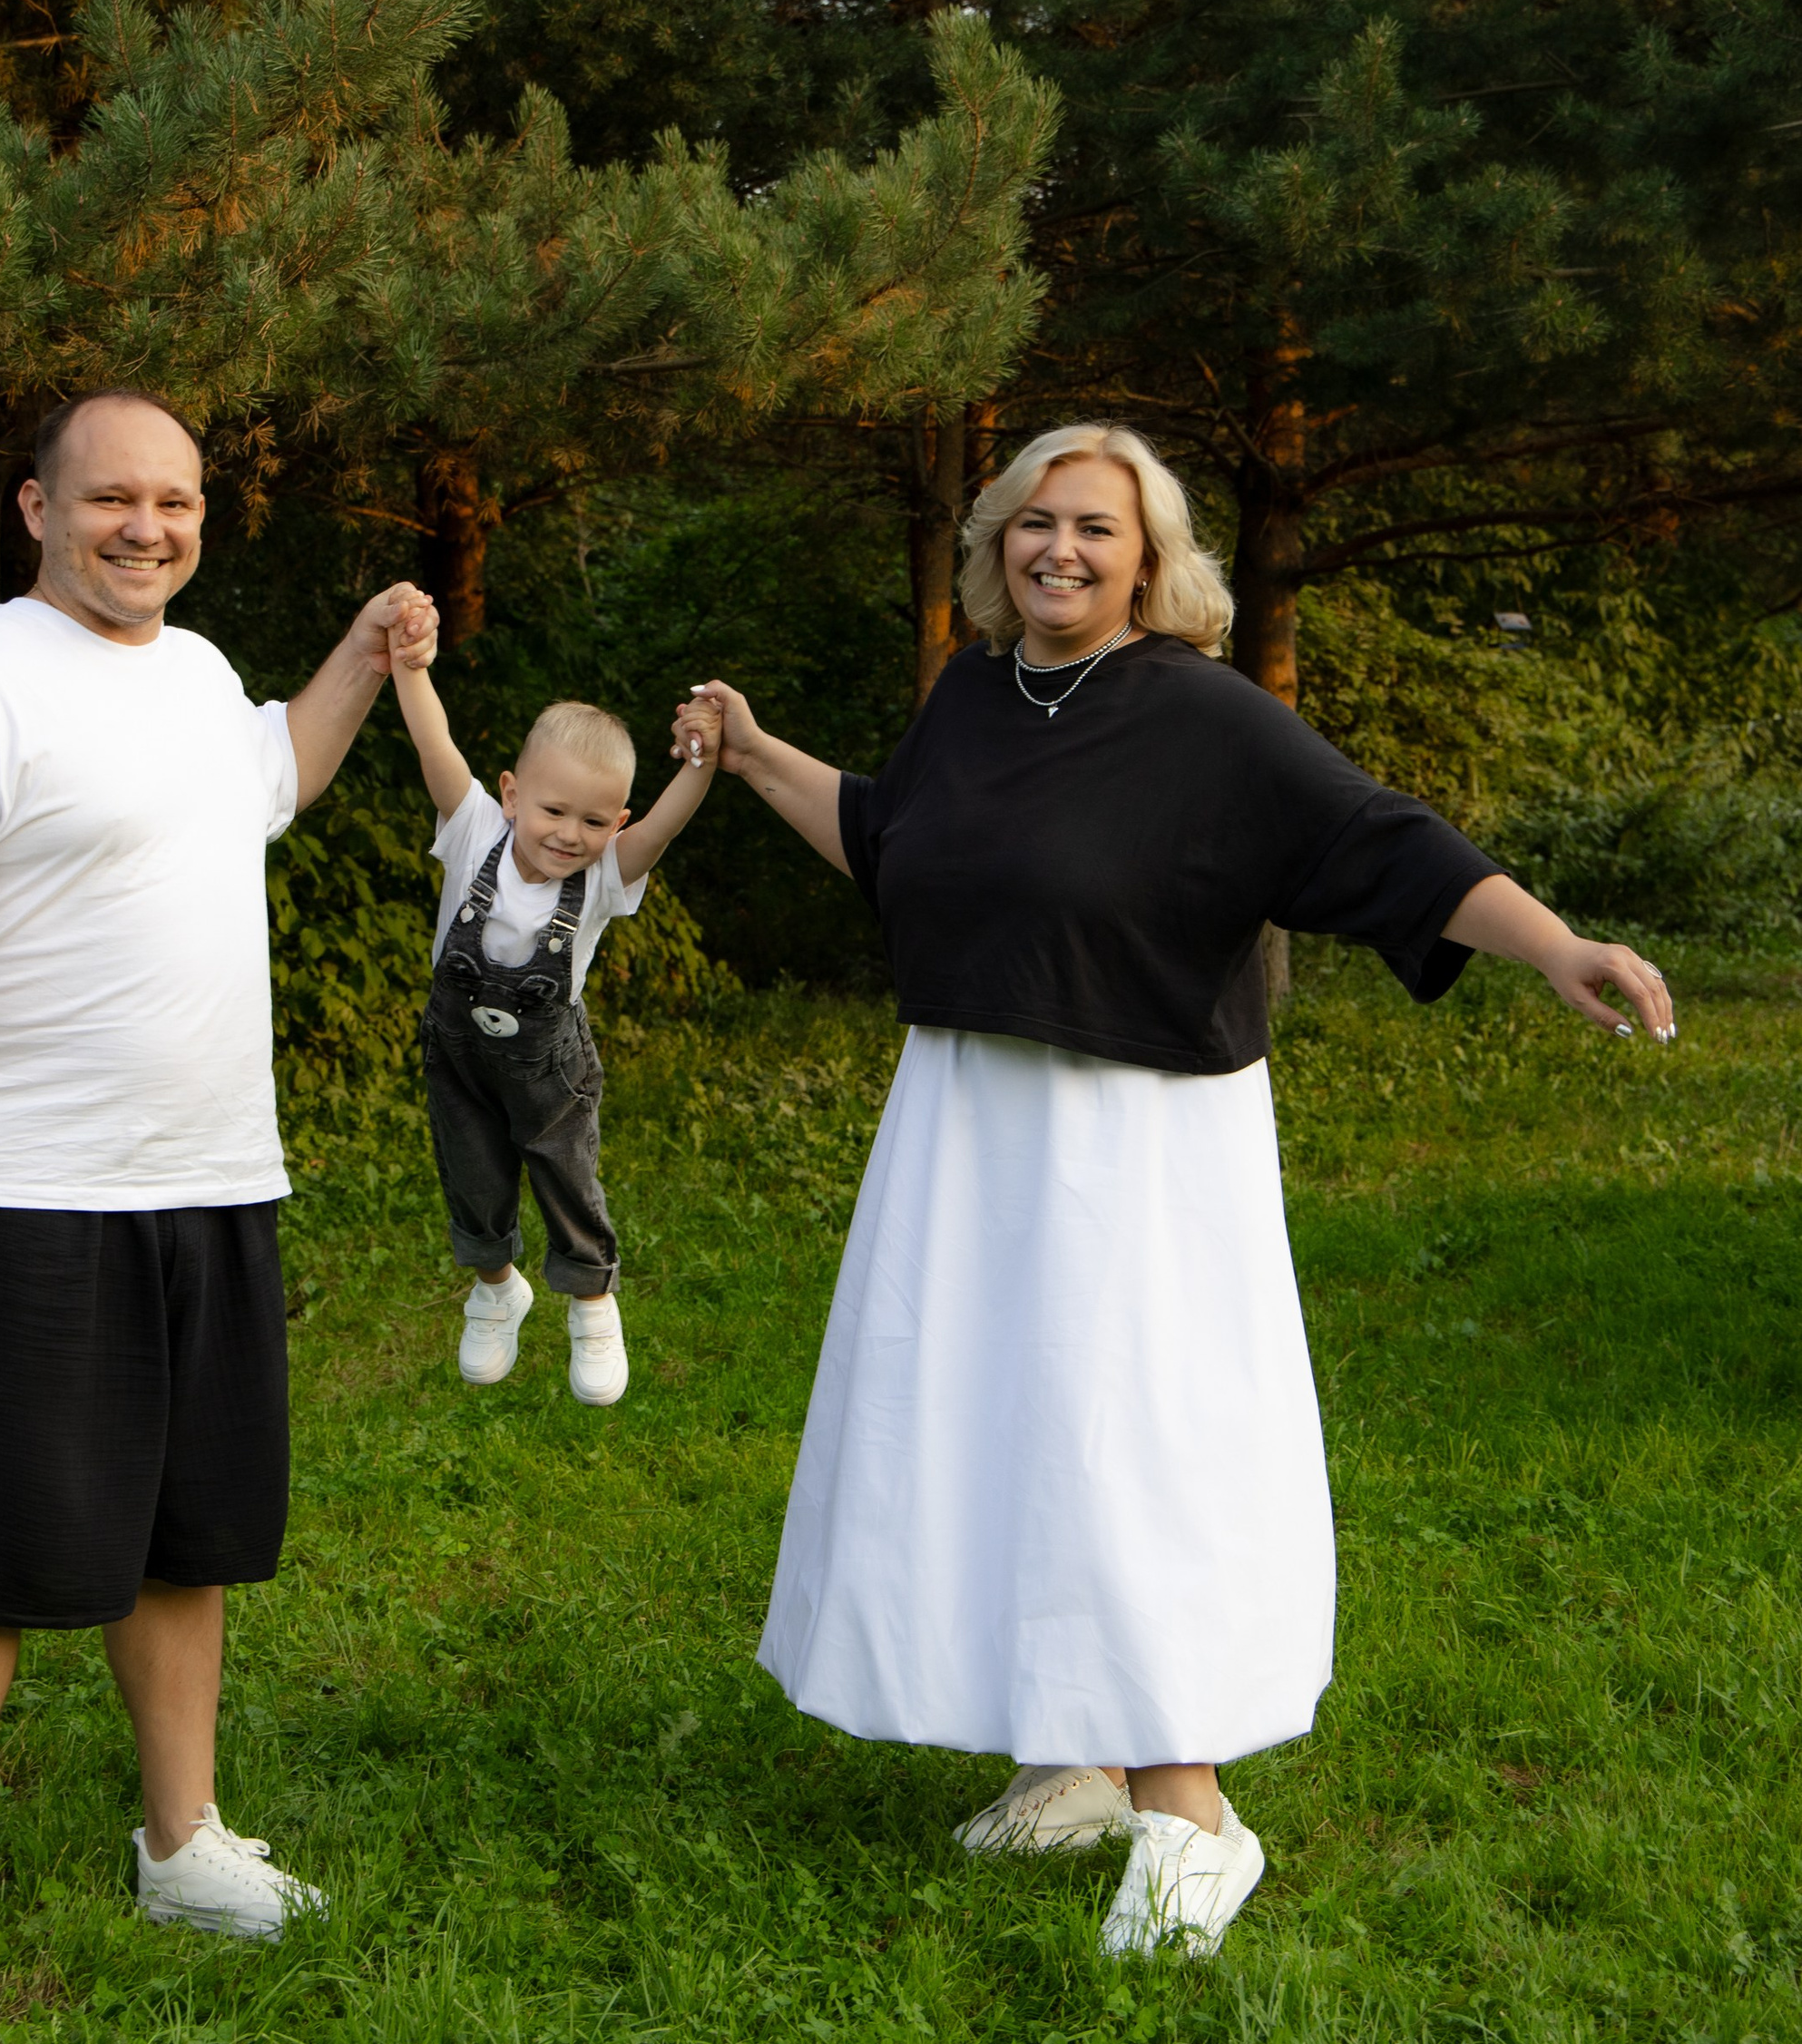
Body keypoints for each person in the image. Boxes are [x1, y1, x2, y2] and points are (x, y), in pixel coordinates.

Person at [691, 423, 1674, 1960]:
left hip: (1131, 1148)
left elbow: (1380, 842)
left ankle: (1193, 1811)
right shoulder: (973, 690)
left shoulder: (1204, 718)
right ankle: (1073, 1760)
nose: (1058, 550)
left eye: (1095, 527)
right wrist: (753, 755)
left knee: (1119, 1443)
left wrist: (1557, 947)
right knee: (996, 1428)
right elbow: (893, 847)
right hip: (968, 1124)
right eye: (1032, 523)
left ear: (1150, 558)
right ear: (995, 543)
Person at [0, 388, 438, 2044]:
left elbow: (266, 790)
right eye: (108, 500)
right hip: (27, 1196)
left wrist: (362, 664)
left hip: (212, 1179)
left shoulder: (205, 673)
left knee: (186, 1532)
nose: (143, 527)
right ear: (34, 507)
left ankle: (180, 1842)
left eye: (174, 501)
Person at [390, 661, 725, 1404]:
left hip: (550, 1066)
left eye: (596, 821)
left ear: (618, 825)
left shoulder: (606, 875)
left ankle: (592, 1305)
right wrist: (411, 665)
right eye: (553, 811)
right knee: (471, 1174)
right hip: (459, 1058)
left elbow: (670, 822)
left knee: (566, 1175)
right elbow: (433, 740)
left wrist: (700, 757)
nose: (571, 835)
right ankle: (496, 1290)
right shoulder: (473, 828)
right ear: (510, 794)